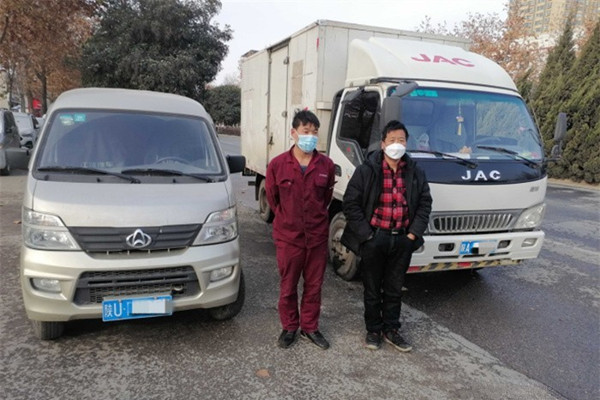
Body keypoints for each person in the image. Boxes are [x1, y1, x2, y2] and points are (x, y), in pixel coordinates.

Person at [341, 120, 432, 352]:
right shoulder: (367, 170)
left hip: (402, 239)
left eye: (401, 140)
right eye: (392, 140)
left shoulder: (415, 171)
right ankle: (373, 330)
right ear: (383, 144)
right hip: (375, 238)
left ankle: (391, 329)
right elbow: (351, 203)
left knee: (395, 288)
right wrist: (367, 235)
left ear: (407, 143)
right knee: (372, 288)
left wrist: (412, 235)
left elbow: (424, 203)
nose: (396, 144)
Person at [265, 109, 336, 350]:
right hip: (289, 238)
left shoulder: (326, 165)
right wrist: (289, 220)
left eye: (315, 132)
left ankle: (310, 327)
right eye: (306, 131)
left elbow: (326, 198)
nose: (311, 137)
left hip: (316, 237)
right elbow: (274, 200)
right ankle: (289, 327)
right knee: (288, 287)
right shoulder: (277, 165)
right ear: (293, 133)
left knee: (314, 286)